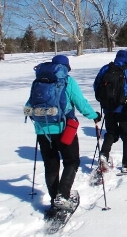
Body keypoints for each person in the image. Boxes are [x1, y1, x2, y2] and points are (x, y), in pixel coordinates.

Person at [25, 55, 101, 215]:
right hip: (64, 128)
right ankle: (62, 195)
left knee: (51, 165)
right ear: (66, 67)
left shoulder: (39, 82)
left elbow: (27, 108)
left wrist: (39, 119)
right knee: (71, 161)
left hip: (42, 131)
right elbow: (80, 103)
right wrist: (94, 116)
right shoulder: (67, 81)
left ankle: (54, 200)